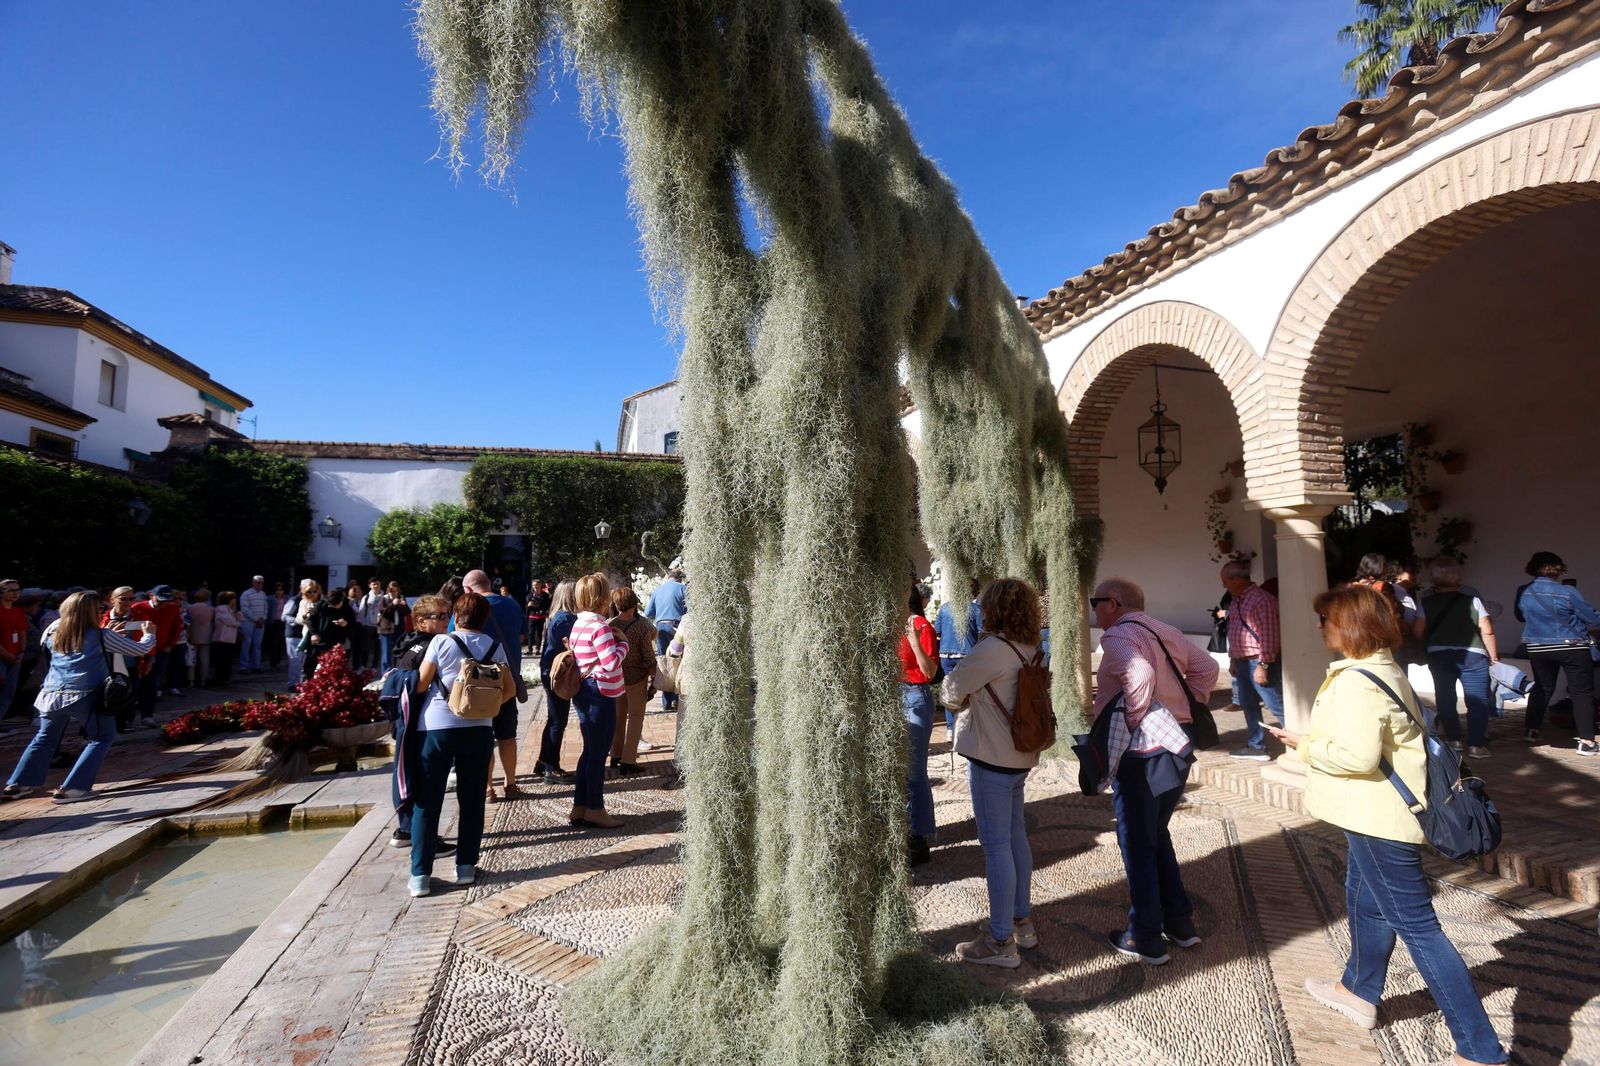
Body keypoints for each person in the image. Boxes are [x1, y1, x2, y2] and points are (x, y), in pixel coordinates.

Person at [1272, 585, 1507, 1065]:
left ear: (1348, 625)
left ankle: (1480, 1050)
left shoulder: (1357, 680)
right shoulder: (1383, 667)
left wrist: (1304, 745)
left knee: (1419, 928)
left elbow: (1358, 757)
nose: (1319, 626)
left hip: (1379, 817)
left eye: (1325, 619)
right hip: (1372, 812)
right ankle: (1358, 990)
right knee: (1364, 900)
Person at [1092, 577, 1218, 965]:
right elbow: (1207, 667)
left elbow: (1141, 674)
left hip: (1143, 752)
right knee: (1155, 834)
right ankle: (1179, 922)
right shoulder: (1167, 630)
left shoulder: (1117, 635)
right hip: (1177, 746)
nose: (1094, 610)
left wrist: (1135, 717)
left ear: (1113, 603)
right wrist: (1181, 707)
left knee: (1135, 840)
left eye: (1096, 602)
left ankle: (1144, 935)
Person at [940, 577, 1045, 968]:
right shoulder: (1032, 648)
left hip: (992, 757)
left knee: (997, 846)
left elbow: (950, 692)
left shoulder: (992, 650)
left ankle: (1001, 940)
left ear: (993, 610)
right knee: (1015, 838)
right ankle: (1022, 923)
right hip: (1020, 754)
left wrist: (964, 694)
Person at [408, 591, 516, 897]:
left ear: (456, 616)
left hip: (436, 728)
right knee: (472, 800)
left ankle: (420, 876)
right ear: (485, 619)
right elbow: (509, 689)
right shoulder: (494, 646)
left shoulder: (441, 643)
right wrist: (483, 705)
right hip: (479, 729)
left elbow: (420, 683)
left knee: (427, 801)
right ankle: (466, 867)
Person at [1, 592, 157, 803]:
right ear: (90, 611)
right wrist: (149, 634)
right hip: (86, 694)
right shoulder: (100, 634)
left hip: (51, 693)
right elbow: (140, 649)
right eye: (99, 609)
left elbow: (56, 652)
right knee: (102, 736)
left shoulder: (52, 629)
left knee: (44, 738)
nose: (101, 612)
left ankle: (18, 784)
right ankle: (73, 788)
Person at [384, 593, 454, 857]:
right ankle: (423, 839)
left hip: (406, 720)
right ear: (422, 621)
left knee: (407, 773)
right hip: (419, 722)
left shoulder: (408, 642)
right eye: (441, 616)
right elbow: (422, 684)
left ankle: (406, 829)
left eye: (448, 615)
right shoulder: (429, 647)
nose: (447, 620)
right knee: (422, 781)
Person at [1515, 551, 1600, 754]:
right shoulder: (1567, 591)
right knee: (1581, 693)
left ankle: (1531, 730)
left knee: (1542, 688)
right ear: (1558, 568)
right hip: (1571, 646)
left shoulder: (1523, 591)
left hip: (1537, 647)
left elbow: (1520, 616)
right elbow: (1592, 618)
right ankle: (1586, 742)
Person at [1420, 558, 1500, 758]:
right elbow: (1487, 631)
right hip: (1473, 654)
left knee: (1445, 697)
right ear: (1458, 579)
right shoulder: (1473, 601)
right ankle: (1476, 745)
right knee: (1477, 700)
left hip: (1439, 654)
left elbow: (1417, 630)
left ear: (1434, 580)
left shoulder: (1426, 602)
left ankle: (1453, 740)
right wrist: (1494, 656)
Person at [568, 573, 628, 829]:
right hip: (600, 691)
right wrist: (624, 644)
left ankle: (580, 806)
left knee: (589, 750)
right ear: (602, 598)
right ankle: (595, 808)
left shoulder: (579, 624)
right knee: (598, 752)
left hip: (585, 689)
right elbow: (611, 663)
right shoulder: (599, 627)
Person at [464, 569, 527, 802]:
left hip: (476, 684)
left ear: (468, 589)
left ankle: (488, 788)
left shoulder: (467, 607)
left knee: (484, 738)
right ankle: (511, 784)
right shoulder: (512, 605)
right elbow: (522, 637)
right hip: (505, 681)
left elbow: (456, 637)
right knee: (507, 735)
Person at [1220, 560, 1285, 761]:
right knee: (1249, 706)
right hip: (1242, 662)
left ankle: (1301, 743)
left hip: (1258, 662)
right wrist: (1233, 660)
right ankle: (1256, 746)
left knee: (1276, 705)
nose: (1223, 585)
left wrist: (1263, 664)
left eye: (1225, 581)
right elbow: (1235, 631)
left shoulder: (1261, 600)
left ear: (1237, 580)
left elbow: (1269, 634)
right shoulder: (1236, 601)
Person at [901, 582, 940, 865]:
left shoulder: (921, 626)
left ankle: (919, 837)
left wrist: (914, 641)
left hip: (914, 697)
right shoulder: (886, 623)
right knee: (899, 772)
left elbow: (929, 672)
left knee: (914, 773)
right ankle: (903, 830)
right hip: (891, 697)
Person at [609, 586, 658, 777]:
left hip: (617, 678)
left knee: (618, 718)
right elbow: (648, 657)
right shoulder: (642, 626)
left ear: (616, 604)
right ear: (635, 604)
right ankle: (628, 760)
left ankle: (615, 754)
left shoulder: (610, 625)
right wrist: (655, 678)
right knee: (635, 719)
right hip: (637, 678)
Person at [535, 581, 578, 783]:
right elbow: (571, 648)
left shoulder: (559, 616)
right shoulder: (565, 619)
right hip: (558, 674)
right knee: (558, 721)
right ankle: (551, 768)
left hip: (551, 671)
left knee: (554, 719)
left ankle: (543, 761)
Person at [934, 579, 983, 742]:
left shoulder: (944, 608)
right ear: (974, 592)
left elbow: (938, 631)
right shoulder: (976, 609)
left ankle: (950, 728)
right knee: (969, 691)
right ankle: (966, 727)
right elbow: (983, 632)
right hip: (966, 655)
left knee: (949, 690)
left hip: (946, 655)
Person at [645, 568, 688, 712]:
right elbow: (690, 610)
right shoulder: (682, 588)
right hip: (677, 627)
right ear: (680, 579)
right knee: (678, 661)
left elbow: (648, 612)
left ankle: (666, 702)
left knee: (664, 663)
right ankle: (676, 699)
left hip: (661, 628)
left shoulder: (658, 590)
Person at [304, 586, 356, 679]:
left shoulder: (346, 607)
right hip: (320, 641)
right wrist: (314, 633)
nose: (334, 607)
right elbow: (310, 619)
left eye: (336, 605)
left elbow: (353, 621)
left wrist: (346, 623)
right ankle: (308, 682)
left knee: (335, 667)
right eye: (331, 605)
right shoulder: (321, 604)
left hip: (337, 642)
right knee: (311, 665)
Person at [0, 579, 28, 723]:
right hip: (3, 656)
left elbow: (22, 633)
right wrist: (5, 654)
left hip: (16, 656)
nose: (15, 593)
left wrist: (22, 652)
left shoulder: (17, 611)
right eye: (11, 590)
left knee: (9, 691)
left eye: (17, 590)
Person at [283, 580, 314, 686]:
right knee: (295, 660)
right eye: (308, 588)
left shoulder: (312, 600)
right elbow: (285, 616)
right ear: (301, 588)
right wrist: (298, 620)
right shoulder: (293, 600)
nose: (311, 591)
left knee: (304, 661)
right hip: (294, 634)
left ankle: (302, 683)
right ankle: (293, 684)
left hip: (306, 634)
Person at [237, 575, 270, 674]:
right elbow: (245, 609)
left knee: (257, 645)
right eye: (258, 582)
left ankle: (256, 666)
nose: (260, 584)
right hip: (247, 622)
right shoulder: (246, 594)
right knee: (246, 644)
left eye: (261, 582)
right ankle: (243, 667)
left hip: (260, 622)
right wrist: (256, 620)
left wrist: (263, 618)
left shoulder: (263, 594)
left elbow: (266, 608)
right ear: (253, 582)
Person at [377, 581, 409, 670]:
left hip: (398, 628)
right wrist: (393, 604)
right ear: (388, 590)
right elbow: (383, 613)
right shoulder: (384, 598)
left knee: (398, 651)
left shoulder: (401, 598)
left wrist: (403, 605)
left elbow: (407, 613)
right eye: (391, 591)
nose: (394, 593)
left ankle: (396, 670)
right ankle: (386, 672)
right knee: (386, 653)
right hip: (386, 629)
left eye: (395, 591)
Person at [211, 592, 241, 685]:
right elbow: (231, 621)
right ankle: (219, 678)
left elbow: (240, 617)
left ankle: (225, 678)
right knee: (221, 660)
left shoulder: (231, 609)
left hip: (230, 638)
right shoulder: (221, 609)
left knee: (228, 660)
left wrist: (236, 617)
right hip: (222, 638)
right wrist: (237, 620)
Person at [188, 588, 215, 689]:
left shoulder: (190, 608)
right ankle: (203, 680)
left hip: (193, 635)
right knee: (205, 659)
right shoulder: (211, 609)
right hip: (206, 635)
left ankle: (191, 680)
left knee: (191, 659)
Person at [355, 578, 384, 670]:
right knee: (366, 646)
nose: (376, 586)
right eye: (373, 584)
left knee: (377, 647)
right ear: (370, 586)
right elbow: (361, 611)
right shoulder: (366, 597)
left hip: (380, 626)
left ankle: (374, 666)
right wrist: (364, 623)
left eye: (377, 584)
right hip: (368, 625)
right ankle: (364, 665)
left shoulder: (384, 597)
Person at [266, 581, 288, 670]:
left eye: (281, 590)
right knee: (273, 643)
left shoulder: (287, 599)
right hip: (273, 623)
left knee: (280, 643)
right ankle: (272, 662)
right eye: (277, 590)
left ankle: (277, 661)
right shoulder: (270, 599)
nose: (279, 592)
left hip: (283, 623)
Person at [526, 581, 551, 654]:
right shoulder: (530, 595)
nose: (535, 587)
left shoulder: (545, 595)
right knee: (531, 633)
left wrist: (543, 611)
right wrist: (528, 606)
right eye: (534, 585)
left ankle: (538, 648)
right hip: (532, 616)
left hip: (541, 616)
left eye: (537, 585)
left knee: (539, 633)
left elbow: (547, 605)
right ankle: (530, 649)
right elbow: (527, 606)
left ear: (540, 585)